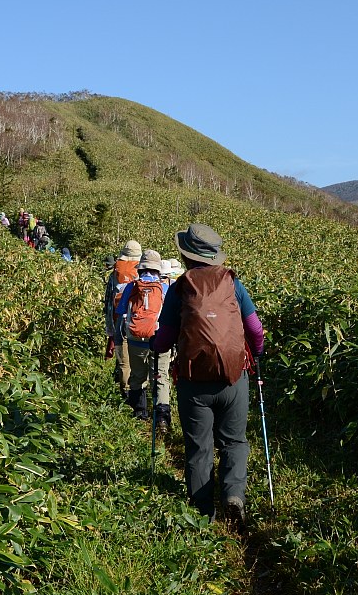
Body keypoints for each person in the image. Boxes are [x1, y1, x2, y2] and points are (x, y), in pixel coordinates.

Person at [151, 223, 263, 525]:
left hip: (193, 381)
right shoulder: (232, 284)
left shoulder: (180, 288)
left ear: (187, 256)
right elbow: (254, 329)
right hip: (233, 377)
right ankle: (233, 494)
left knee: (199, 446)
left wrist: (154, 344)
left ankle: (203, 515)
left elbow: (164, 339)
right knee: (235, 441)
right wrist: (257, 353)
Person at [114, 250, 172, 430]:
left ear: (140, 269)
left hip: (135, 338)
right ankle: (162, 417)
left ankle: (140, 413)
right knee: (161, 375)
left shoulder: (132, 287)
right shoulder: (165, 288)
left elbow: (120, 310)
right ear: (158, 270)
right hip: (159, 338)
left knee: (138, 375)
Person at [103, 240, 142, 401]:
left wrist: (110, 329)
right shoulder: (143, 271)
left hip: (119, 319)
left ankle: (125, 392)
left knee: (123, 360)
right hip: (138, 319)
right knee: (139, 357)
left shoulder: (115, 273)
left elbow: (108, 301)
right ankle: (139, 393)